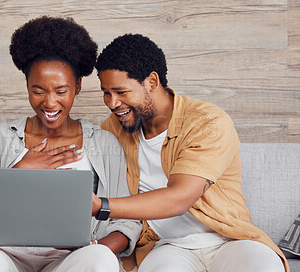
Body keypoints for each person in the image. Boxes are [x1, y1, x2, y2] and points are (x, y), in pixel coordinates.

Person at [0, 17, 141, 272]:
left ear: (77, 86)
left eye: (61, 91)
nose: (50, 103)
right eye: (38, 91)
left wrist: (96, 246)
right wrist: (18, 172)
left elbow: (127, 222)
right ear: (27, 86)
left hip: (70, 259)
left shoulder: (104, 142)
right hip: (4, 256)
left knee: (101, 259)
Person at [92, 33, 289, 272]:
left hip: (227, 240)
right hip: (165, 246)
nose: (112, 103)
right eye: (106, 93)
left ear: (152, 82)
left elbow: (179, 198)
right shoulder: (111, 130)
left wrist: (100, 205)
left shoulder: (206, 122)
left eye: (121, 92)